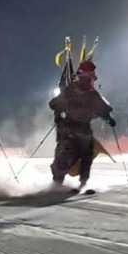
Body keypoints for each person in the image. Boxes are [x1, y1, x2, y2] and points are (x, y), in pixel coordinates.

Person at [49, 59, 115, 191]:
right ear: (82, 77)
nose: (90, 81)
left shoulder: (91, 94)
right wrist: (58, 114)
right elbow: (55, 104)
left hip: (82, 130)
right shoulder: (70, 91)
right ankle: (57, 184)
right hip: (68, 129)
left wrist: (107, 118)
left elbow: (102, 108)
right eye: (89, 78)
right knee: (65, 155)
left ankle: (82, 184)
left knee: (86, 154)